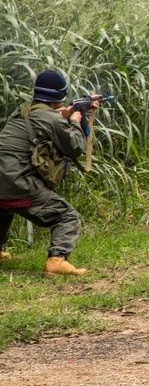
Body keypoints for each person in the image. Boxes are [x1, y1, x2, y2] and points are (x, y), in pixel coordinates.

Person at [0, 70, 97, 277]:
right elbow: (75, 147)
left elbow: (48, 119)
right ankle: (56, 260)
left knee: (3, 207)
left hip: (3, 178)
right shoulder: (54, 119)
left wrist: (67, 113)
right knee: (66, 215)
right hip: (16, 181)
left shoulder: (22, 110)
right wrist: (75, 120)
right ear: (61, 97)